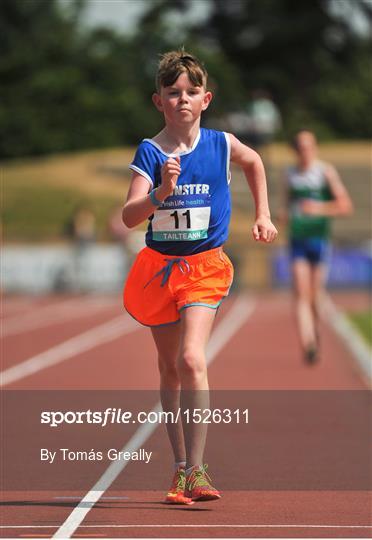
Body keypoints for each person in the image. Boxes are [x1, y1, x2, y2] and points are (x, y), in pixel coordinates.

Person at [122, 50, 277, 505]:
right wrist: (161, 192)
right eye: (173, 93)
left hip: (204, 267)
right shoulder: (149, 152)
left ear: (205, 99)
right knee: (170, 369)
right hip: (158, 270)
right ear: (159, 101)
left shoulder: (222, 143)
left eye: (191, 92)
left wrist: (264, 213)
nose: (182, 100)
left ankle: (198, 469)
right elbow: (130, 215)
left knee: (192, 359)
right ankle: (177, 469)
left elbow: (255, 163)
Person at [282, 130, 353, 364]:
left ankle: (315, 329)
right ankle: (308, 343)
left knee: (314, 295)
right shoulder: (290, 174)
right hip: (297, 240)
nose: (306, 152)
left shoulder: (325, 172)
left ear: (315, 148)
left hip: (319, 239)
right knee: (301, 293)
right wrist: (284, 217)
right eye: (301, 147)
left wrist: (318, 208)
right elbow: (287, 206)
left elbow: (345, 206)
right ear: (295, 150)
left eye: (309, 146)